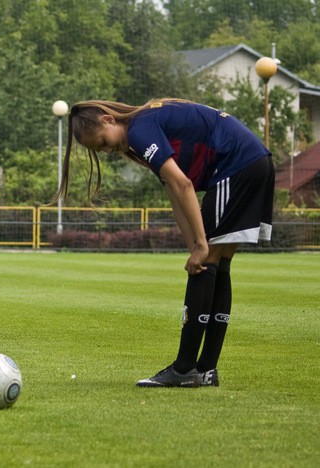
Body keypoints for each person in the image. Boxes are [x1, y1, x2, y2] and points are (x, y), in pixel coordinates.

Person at [57, 98, 274, 387]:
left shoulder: (140, 129)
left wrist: (200, 244)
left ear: (109, 120)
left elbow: (183, 184)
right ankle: (205, 370)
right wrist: (195, 245)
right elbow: (175, 194)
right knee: (217, 263)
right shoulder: (145, 130)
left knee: (207, 262)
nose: (108, 151)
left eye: (103, 143)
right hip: (254, 162)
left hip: (237, 165)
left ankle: (184, 369)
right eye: (101, 150)